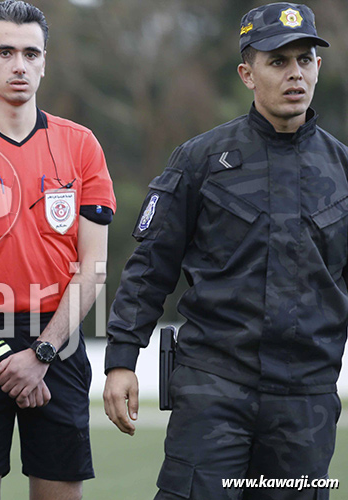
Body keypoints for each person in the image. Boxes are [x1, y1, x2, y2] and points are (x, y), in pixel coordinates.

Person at [103, 3, 345, 499]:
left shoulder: (343, 170)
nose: (294, 73)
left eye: (304, 60)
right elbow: (150, 267)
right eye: (278, 61)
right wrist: (122, 359)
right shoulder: (201, 161)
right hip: (213, 389)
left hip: (305, 401)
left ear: (318, 68)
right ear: (247, 73)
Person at [0, 2, 116, 499]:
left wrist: (42, 352)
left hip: (59, 338)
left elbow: (94, 267)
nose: (18, 65)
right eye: (5, 51)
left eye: (30, 53)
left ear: (44, 62)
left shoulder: (81, 146)